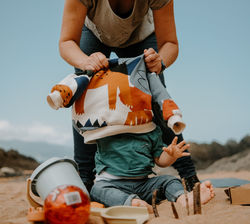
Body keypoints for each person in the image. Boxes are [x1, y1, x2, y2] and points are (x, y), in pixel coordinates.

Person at [58, 0, 200, 192]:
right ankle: (85, 179)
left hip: (141, 36)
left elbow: (170, 43)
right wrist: (86, 61)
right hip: (94, 33)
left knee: (156, 98)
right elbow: (67, 42)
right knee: (86, 97)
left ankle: (189, 175)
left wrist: (160, 62)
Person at [89, 126, 215, 211]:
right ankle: (132, 204)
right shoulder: (105, 129)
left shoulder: (151, 130)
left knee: (169, 180)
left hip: (144, 185)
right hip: (111, 184)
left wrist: (171, 155)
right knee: (97, 190)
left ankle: (184, 199)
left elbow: (160, 160)